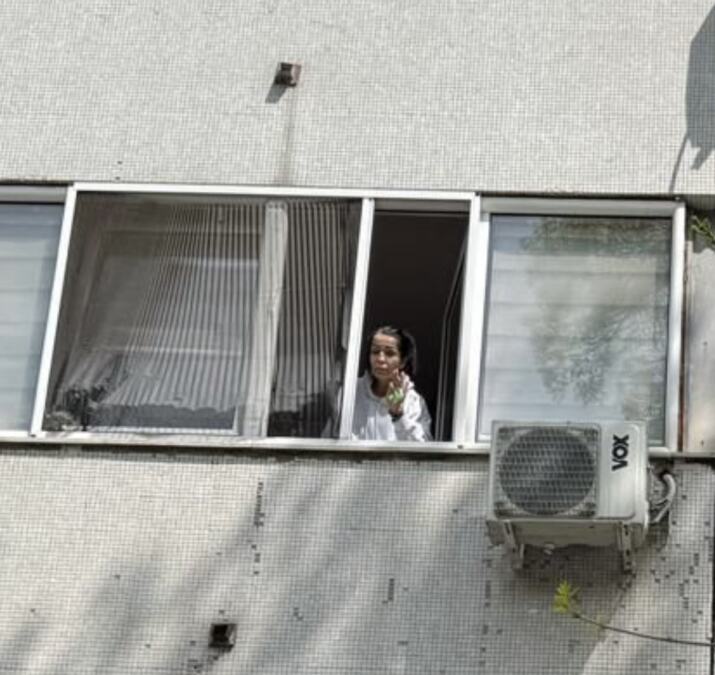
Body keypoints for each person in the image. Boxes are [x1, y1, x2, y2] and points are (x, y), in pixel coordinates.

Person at [351, 326, 432, 441]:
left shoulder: (413, 401)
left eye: (389, 353)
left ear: (402, 362)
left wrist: (398, 414)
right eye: (375, 352)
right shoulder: (350, 392)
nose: (380, 359)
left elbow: (423, 448)